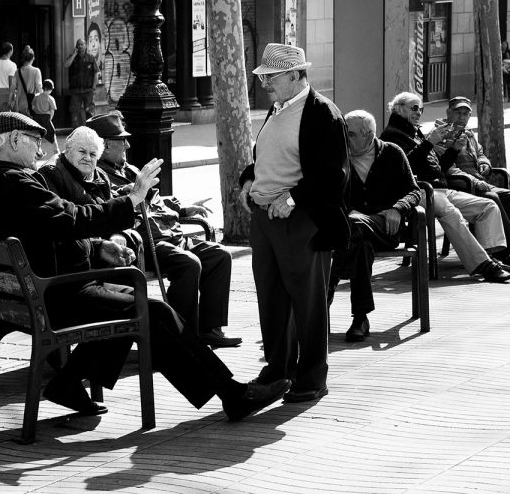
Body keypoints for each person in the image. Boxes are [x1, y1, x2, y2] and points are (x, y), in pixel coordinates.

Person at [0, 112, 291, 422]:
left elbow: (54, 226)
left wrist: (99, 246)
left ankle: (69, 383)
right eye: (33, 140)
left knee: (133, 299)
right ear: (13, 139)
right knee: (152, 311)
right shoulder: (11, 182)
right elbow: (72, 218)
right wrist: (133, 198)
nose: (40, 150)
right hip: (53, 296)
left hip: (33, 295)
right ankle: (232, 395)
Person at [238, 43, 350, 403]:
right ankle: (279, 369)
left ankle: (312, 377)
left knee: (308, 302)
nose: (265, 82)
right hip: (267, 220)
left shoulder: (321, 113)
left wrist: (293, 198)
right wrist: (248, 180)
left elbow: (333, 176)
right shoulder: (279, 107)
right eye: (264, 76)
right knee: (272, 299)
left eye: (271, 77)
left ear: (295, 75)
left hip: (301, 221)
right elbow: (267, 158)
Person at [83, 112, 242, 348]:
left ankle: (208, 329)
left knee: (219, 255)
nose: (127, 144)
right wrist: (130, 193)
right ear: (104, 146)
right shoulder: (99, 176)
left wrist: (184, 209)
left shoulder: (130, 169)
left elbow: (157, 200)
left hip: (169, 233)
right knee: (188, 263)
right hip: (145, 241)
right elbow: (111, 209)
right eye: (121, 140)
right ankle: (179, 335)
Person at [380, 92, 510, 283]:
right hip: (419, 191)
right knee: (452, 213)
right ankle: (484, 265)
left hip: (438, 189)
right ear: (399, 109)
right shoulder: (393, 135)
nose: (419, 113)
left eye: (421, 109)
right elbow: (406, 167)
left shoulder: (414, 131)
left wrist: (453, 150)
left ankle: (492, 257)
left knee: (488, 207)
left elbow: (437, 168)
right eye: (414, 108)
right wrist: (429, 143)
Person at [328, 110, 421, 342]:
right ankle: (360, 318)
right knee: (360, 244)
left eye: (349, 135)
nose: (344, 139)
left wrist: (397, 209)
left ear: (368, 136)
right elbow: (329, 194)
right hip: (353, 230)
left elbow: (414, 191)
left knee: (353, 227)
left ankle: (324, 295)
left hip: (385, 227)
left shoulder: (392, 153)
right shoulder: (339, 156)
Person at [437, 96, 510, 267]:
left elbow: (480, 153)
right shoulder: (441, 133)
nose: (462, 117)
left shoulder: (468, 133)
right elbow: (447, 167)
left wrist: (484, 163)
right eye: (458, 112)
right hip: (459, 184)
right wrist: (474, 180)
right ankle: (501, 252)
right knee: (492, 198)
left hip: (477, 181)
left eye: (465, 113)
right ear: (448, 112)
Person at [64, 38, 99, 128]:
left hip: (88, 90)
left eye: (82, 44)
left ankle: (90, 129)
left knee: (89, 111)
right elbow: (66, 65)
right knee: (75, 111)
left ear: (86, 46)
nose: (80, 46)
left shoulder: (91, 58)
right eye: (78, 44)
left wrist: (94, 87)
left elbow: (96, 72)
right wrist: (74, 54)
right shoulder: (72, 57)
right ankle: (77, 130)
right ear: (76, 46)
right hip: (75, 90)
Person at [31, 79, 59, 157]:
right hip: (46, 118)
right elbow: (52, 111)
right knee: (52, 134)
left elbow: (33, 107)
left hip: (36, 118)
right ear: (48, 89)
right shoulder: (50, 98)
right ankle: (56, 150)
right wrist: (49, 120)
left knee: (37, 136)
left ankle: (38, 151)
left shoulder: (36, 97)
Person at [15, 45, 43, 116]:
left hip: (20, 105)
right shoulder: (36, 71)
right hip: (32, 105)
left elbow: (13, 88)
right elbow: (39, 88)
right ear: (33, 58)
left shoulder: (17, 72)